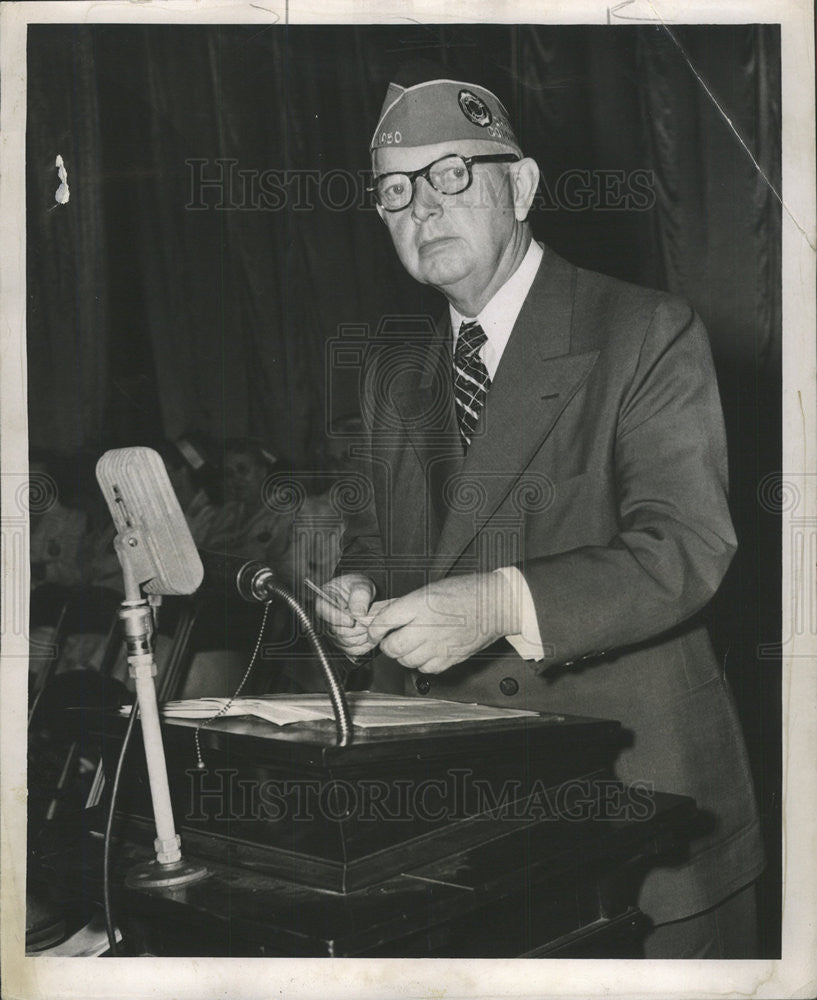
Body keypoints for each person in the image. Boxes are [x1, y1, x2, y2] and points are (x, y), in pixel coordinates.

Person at [314, 68, 765, 958]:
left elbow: (685, 547)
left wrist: (496, 604)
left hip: (637, 805)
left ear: (520, 185)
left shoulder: (643, 329)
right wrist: (358, 595)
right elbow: (386, 543)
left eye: (451, 175)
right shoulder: (390, 373)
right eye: (395, 190)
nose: (421, 208)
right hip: (462, 817)